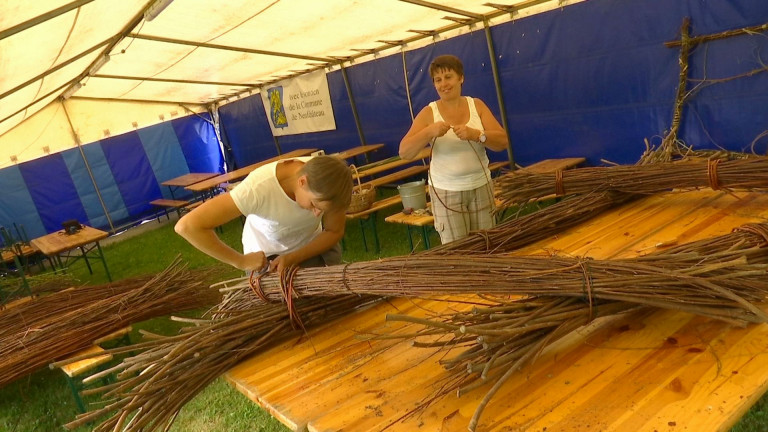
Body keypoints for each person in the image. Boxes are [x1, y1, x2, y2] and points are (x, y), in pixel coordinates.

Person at [175, 155, 353, 274]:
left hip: (311, 247)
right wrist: (241, 262)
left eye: (323, 210)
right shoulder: (258, 188)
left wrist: (293, 258)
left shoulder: (331, 183)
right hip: (267, 259)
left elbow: (333, 231)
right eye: (314, 205)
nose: (317, 214)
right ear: (302, 182)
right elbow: (188, 226)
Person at [399, 54, 509, 244]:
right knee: (457, 250)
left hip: (481, 186)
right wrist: (429, 131)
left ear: (461, 78)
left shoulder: (477, 105)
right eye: (438, 80)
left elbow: (502, 141)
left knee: (487, 244)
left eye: (448, 77)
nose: (444, 84)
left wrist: (477, 134)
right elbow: (404, 152)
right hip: (446, 192)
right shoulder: (428, 113)